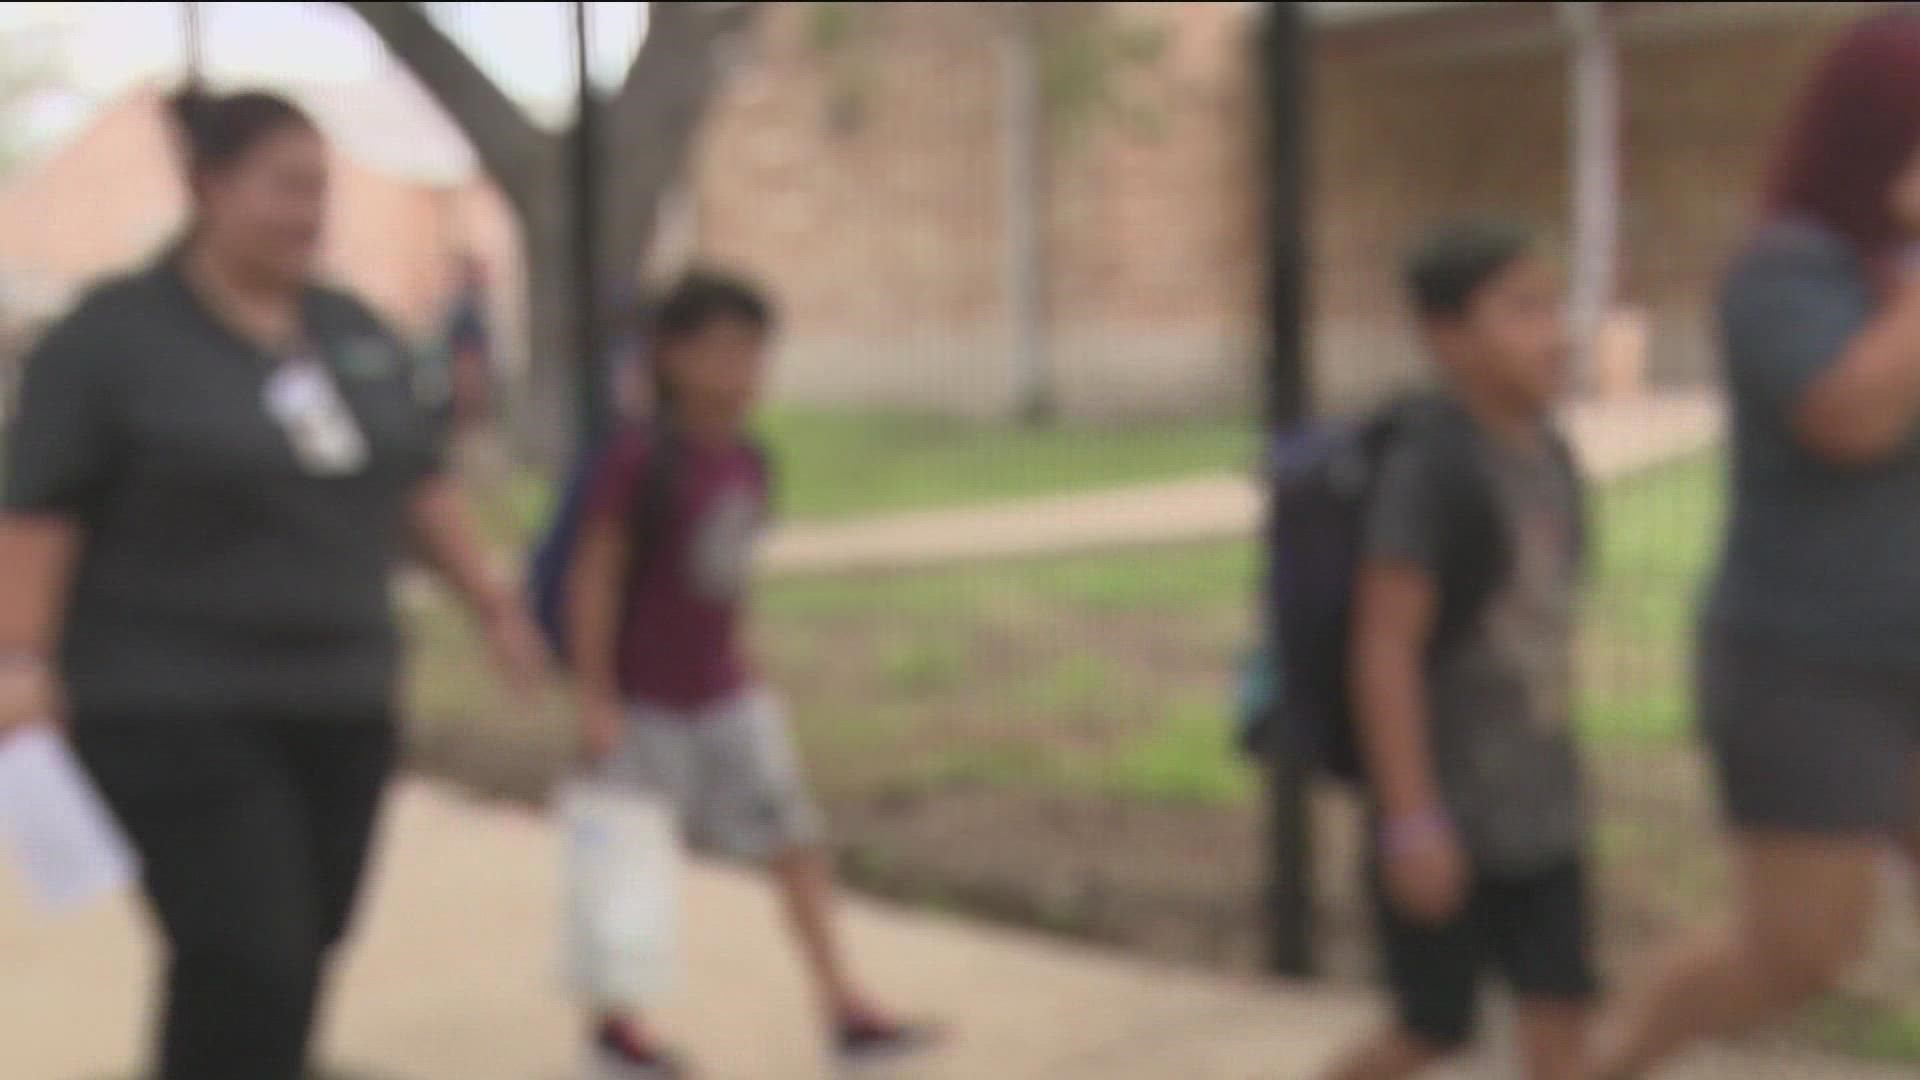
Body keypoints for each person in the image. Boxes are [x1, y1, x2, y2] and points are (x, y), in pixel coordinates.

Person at [0, 87, 543, 1080]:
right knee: (246, 946)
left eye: (320, 190)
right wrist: (20, 664)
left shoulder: (349, 329)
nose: (308, 213)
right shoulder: (112, 340)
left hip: (339, 695)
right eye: (285, 188)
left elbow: (414, 486)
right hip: (170, 702)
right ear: (209, 185)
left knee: (298, 945)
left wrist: (495, 606)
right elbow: (40, 512)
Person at [1591, 15, 1920, 1077]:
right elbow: (1853, 417)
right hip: (1812, 670)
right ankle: (1610, 1063)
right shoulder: (1784, 271)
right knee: (1800, 952)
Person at [566, 270, 937, 1078]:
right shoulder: (638, 460)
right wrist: (595, 698)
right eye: (722, 350)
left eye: (754, 351)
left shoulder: (749, 461)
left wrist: (750, 668)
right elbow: (594, 575)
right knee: (632, 859)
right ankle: (616, 1027)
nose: (741, 371)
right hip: (645, 702)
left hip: (727, 694)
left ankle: (843, 1003)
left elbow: (727, 582)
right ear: (673, 359)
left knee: (794, 840)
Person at [1323, 219, 1592, 1080]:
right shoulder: (1429, 472)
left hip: (1545, 811)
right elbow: (1384, 647)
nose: (1555, 332)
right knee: (1432, 1030)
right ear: (1447, 337)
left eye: (1554, 306)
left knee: (1562, 1033)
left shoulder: (1551, 456)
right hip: (1449, 813)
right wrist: (1411, 820)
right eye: (1522, 310)